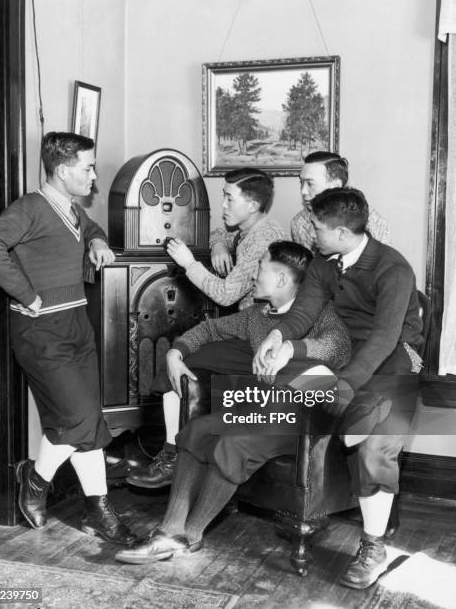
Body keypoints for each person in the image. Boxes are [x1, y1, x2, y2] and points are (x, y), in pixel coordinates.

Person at [115, 240, 352, 564]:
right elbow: (210, 329)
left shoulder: (320, 313)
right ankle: (169, 531)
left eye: (260, 268)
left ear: (282, 280)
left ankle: (191, 534)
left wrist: (290, 352)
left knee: (233, 445)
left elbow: (338, 348)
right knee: (197, 430)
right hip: (260, 409)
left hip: (303, 419)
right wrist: (176, 351)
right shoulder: (257, 315)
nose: (253, 275)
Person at [253, 187, 423, 589]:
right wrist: (278, 337)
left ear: (343, 233)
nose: (310, 231)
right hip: (343, 359)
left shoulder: (393, 269)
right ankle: (348, 417)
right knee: (280, 364)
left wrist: (344, 388)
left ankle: (374, 547)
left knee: (374, 446)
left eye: (316, 226)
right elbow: (304, 313)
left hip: (389, 365)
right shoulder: (323, 264)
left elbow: (383, 341)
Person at [0, 132, 135, 546]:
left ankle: (71, 497)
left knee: (82, 417)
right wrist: (26, 294)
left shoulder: (71, 209)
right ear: (63, 171)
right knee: (82, 418)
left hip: (76, 325)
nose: (94, 175)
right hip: (41, 330)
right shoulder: (30, 207)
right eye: (88, 167)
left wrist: (98, 239)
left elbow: (90, 226)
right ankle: (57, 488)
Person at [167, 168, 284, 310]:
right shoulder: (254, 228)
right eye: (224, 196)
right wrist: (219, 245)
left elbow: (226, 295)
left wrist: (189, 263)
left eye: (229, 198)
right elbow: (219, 233)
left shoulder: (263, 240)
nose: (223, 204)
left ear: (252, 206)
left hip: (259, 324)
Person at [291, 151, 390, 250]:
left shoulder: (372, 223)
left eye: (310, 183)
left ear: (335, 186)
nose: (303, 191)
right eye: (301, 183)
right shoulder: (299, 223)